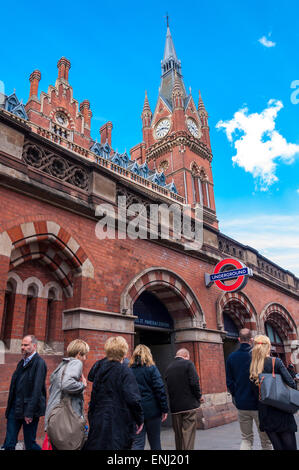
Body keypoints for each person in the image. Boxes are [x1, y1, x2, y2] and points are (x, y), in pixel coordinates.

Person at [84, 336, 144, 450]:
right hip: (119, 422)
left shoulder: (100, 370)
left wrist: (93, 418)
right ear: (124, 351)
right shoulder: (125, 371)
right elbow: (133, 399)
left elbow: (94, 398)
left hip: (100, 421)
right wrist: (139, 419)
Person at [226, 328, 272, 450]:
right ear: (251, 340)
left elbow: (229, 382)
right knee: (266, 441)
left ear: (239, 339)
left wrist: (237, 394)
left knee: (246, 439)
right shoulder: (257, 356)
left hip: (242, 404)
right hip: (259, 405)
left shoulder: (231, 357)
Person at [249, 335, 298, 450]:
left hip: (265, 414)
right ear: (268, 347)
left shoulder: (253, 367)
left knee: (277, 447)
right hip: (281, 412)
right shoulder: (276, 362)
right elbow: (292, 384)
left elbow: (256, 393)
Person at [3, 335, 47, 450]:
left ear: (34, 346)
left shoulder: (39, 363)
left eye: (26, 345)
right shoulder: (21, 363)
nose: (22, 347)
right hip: (15, 408)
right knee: (9, 443)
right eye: (22, 345)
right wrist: (9, 409)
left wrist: (29, 412)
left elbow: (37, 390)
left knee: (30, 444)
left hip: (29, 410)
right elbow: (15, 387)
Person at [44, 338, 89, 448]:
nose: (85, 359)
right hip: (65, 418)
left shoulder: (63, 365)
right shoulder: (76, 363)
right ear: (79, 354)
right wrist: (82, 385)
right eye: (84, 355)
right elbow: (67, 384)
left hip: (53, 416)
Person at [129, 344, 169, 450]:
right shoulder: (152, 368)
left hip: (136, 412)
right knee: (155, 442)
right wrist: (164, 409)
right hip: (153, 412)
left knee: (137, 443)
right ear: (148, 354)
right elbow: (160, 389)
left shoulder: (129, 370)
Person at [164, 348, 202, 450]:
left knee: (179, 436)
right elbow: (194, 383)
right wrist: (199, 396)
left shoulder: (168, 368)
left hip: (175, 408)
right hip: (189, 407)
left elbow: (168, 387)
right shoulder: (188, 364)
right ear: (186, 356)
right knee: (188, 435)